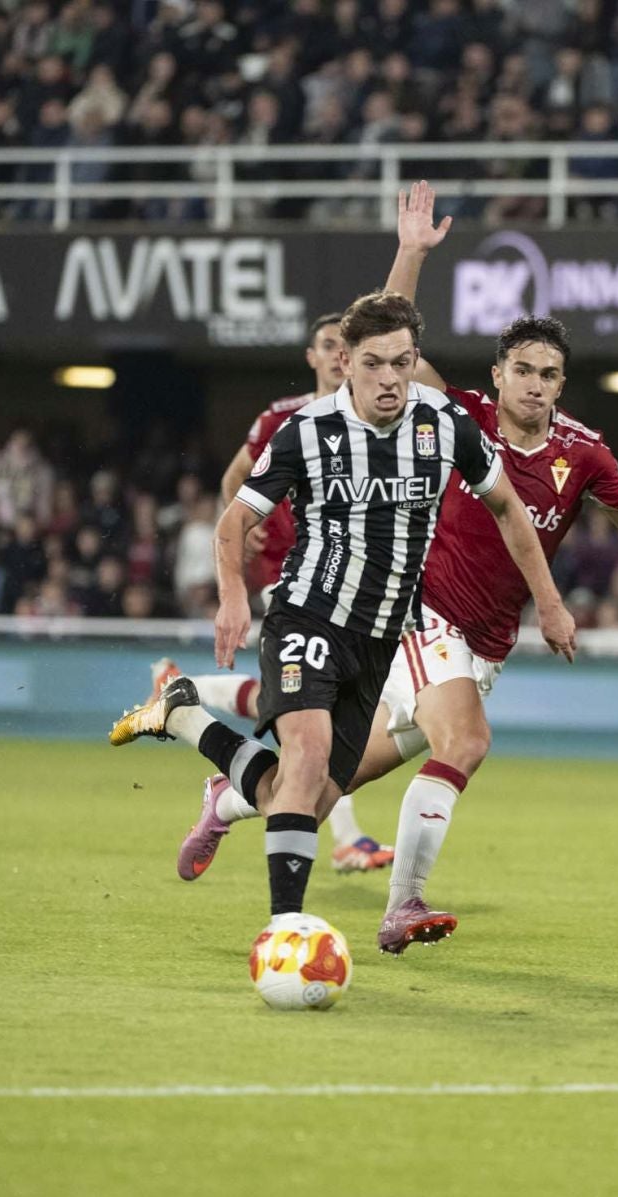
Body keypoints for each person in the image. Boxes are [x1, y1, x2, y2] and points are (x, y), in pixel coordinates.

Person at [126, 182, 618, 955]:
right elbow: (389, 342)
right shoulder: (452, 412)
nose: (534, 384)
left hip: (481, 645)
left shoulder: (582, 452)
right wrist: (411, 253)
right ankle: (400, 907)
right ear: (497, 374)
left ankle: (212, 769)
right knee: (464, 742)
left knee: (309, 791)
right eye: (522, 369)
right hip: (420, 620)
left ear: (562, 384)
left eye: (548, 374)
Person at [108, 288, 579, 951]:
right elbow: (234, 520)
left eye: (402, 363)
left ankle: (186, 717)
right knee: (306, 759)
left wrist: (549, 602)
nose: (389, 379)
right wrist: (233, 596)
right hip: (307, 616)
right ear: (346, 362)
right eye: (373, 363)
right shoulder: (307, 431)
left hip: (382, 638)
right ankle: (285, 932)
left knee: (300, 795)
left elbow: (507, 508)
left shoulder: (445, 424)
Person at [149, 310, 399, 872]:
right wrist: (245, 530)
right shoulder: (283, 419)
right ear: (314, 357)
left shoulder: (386, 421)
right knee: (314, 717)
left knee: (304, 715)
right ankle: (344, 841)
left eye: (343, 344)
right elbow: (233, 480)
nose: (336, 355)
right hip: (292, 577)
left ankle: (188, 702)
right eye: (327, 345)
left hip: (357, 587)